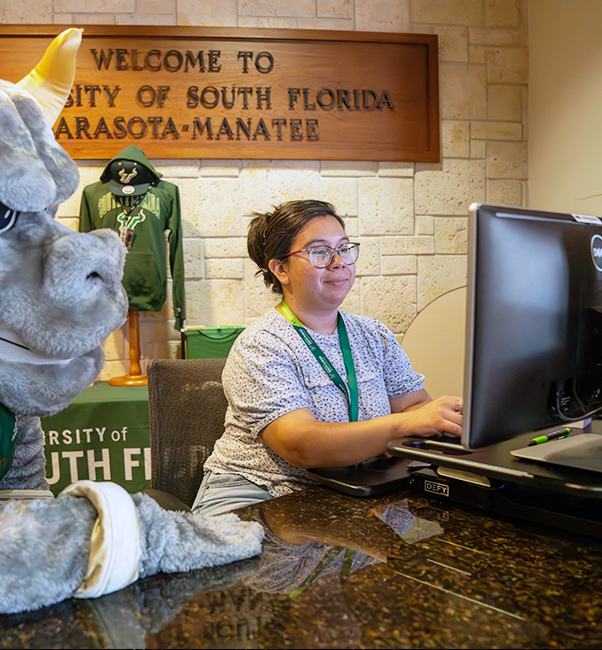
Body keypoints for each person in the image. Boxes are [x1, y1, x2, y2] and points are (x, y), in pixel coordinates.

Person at [192, 200, 463, 516]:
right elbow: (300, 444)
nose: (338, 262)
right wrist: (399, 427)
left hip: (353, 489)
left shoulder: (374, 334)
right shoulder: (261, 345)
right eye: (320, 252)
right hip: (260, 493)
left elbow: (416, 406)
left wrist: (424, 422)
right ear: (280, 269)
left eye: (344, 248)